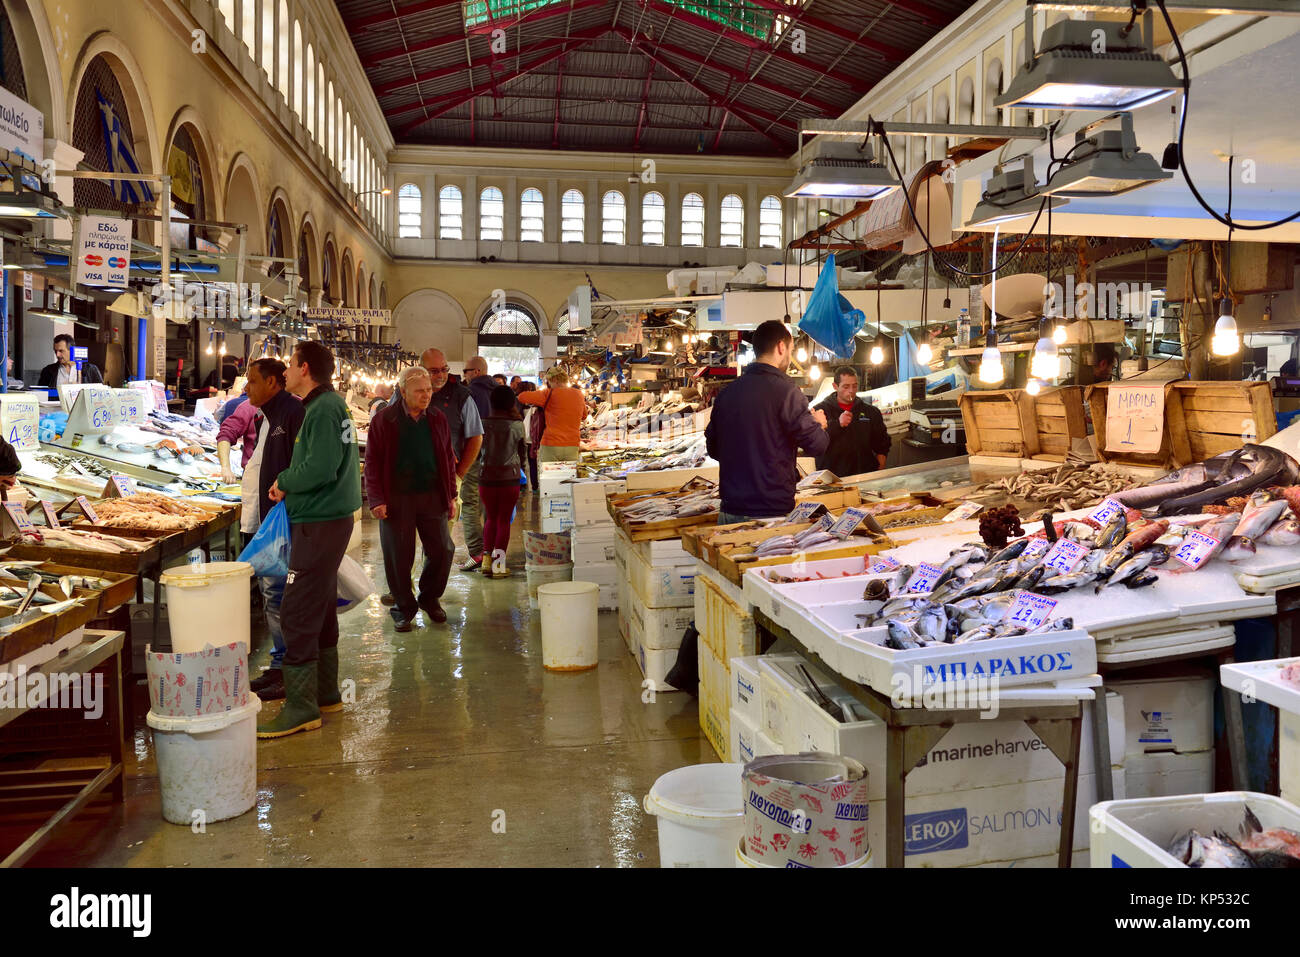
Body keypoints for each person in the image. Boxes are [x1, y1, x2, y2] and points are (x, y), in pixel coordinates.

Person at [258, 341, 362, 739]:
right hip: (325, 520)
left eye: (289, 363)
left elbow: (319, 467)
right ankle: (325, 693)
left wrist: (284, 480)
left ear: (305, 367)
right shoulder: (325, 406)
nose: (285, 370)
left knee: (297, 609)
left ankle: (301, 708)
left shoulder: (322, 409)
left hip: (319, 522)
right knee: (317, 605)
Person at [705, 320, 829, 523]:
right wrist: (819, 424)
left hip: (729, 512)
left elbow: (714, 449)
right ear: (781, 347)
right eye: (790, 349)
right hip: (771, 516)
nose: (789, 356)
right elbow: (817, 445)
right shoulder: (788, 393)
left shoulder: (727, 394)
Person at [366, 367, 459, 631]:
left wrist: (451, 495)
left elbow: (446, 458)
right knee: (399, 555)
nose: (426, 395)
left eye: (429, 390)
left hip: (432, 495)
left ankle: (429, 598)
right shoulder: (384, 420)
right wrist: (376, 499)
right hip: (397, 498)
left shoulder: (437, 418)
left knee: (443, 550)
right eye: (420, 391)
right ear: (403, 391)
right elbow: (372, 462)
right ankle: (403, 608)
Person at [237, 358, 306, 701]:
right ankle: (280, 666)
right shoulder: (269, 415)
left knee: (280, 598)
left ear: (273, 383)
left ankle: (286, 673)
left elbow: (303, 467)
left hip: (286, 524)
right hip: (271, 522)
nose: (245, 387)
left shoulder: (292, 412)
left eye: (251, 381)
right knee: (272, 597)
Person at [479, 385, 527, 577]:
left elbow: (475, 451)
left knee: (490, 518)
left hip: (486, 477)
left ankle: (485, 560)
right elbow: (522, 453)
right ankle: (499, 566)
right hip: (510, 478)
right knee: (503, 521)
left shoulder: (482, 423)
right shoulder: (517, 424)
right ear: (511, 402)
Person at [813, 366, 890, 477]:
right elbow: (813, 440)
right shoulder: (819, 411)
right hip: (832, 479)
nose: (851, 391)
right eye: (846, 386)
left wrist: (880, 463)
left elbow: (882, 441)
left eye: (854, 386)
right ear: (835, 386)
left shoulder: (870, 412)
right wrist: (837, 424)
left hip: (864, 476)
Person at [458, 355, 496, 570]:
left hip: (474, 454)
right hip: (498, 459)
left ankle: (477, 552)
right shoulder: (501, 392)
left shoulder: (468, 394)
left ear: (476, 372)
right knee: (491, 504)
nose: (465, 375)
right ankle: (493, 552)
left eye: (466, 371)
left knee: (470, 502)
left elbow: (465, 429)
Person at [517, 366, 586, 463]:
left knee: (549, 476)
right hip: (572, 445)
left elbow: (522, 397)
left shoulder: (548, 394)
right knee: (569, 476)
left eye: (549, 381)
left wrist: (539, 395)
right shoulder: (579, 394)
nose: (548, 383)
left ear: (554, 380)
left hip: (551, 444)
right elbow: (584, 415)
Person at [216, 386, 260, 480]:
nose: (247, 388)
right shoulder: (249, 406)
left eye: (253, 381)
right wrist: (226, 467)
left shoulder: (296, 405)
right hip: (253, 476)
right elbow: (226, 434)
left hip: (284, 479)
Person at [37, 334, 102, 389]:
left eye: (61, 351)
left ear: (72, 350)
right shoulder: (48, 371)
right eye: (55, 351)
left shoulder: (90, 369)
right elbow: (41, 394)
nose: (57, 355)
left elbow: (101, 392)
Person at [518, 381, 541, 492]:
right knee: (532, 462)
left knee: (521, 460)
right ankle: (535, 486)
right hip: (534, 437)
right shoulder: (538, 405)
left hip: (521, 436)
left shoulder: (517, 403)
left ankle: (522, 484)